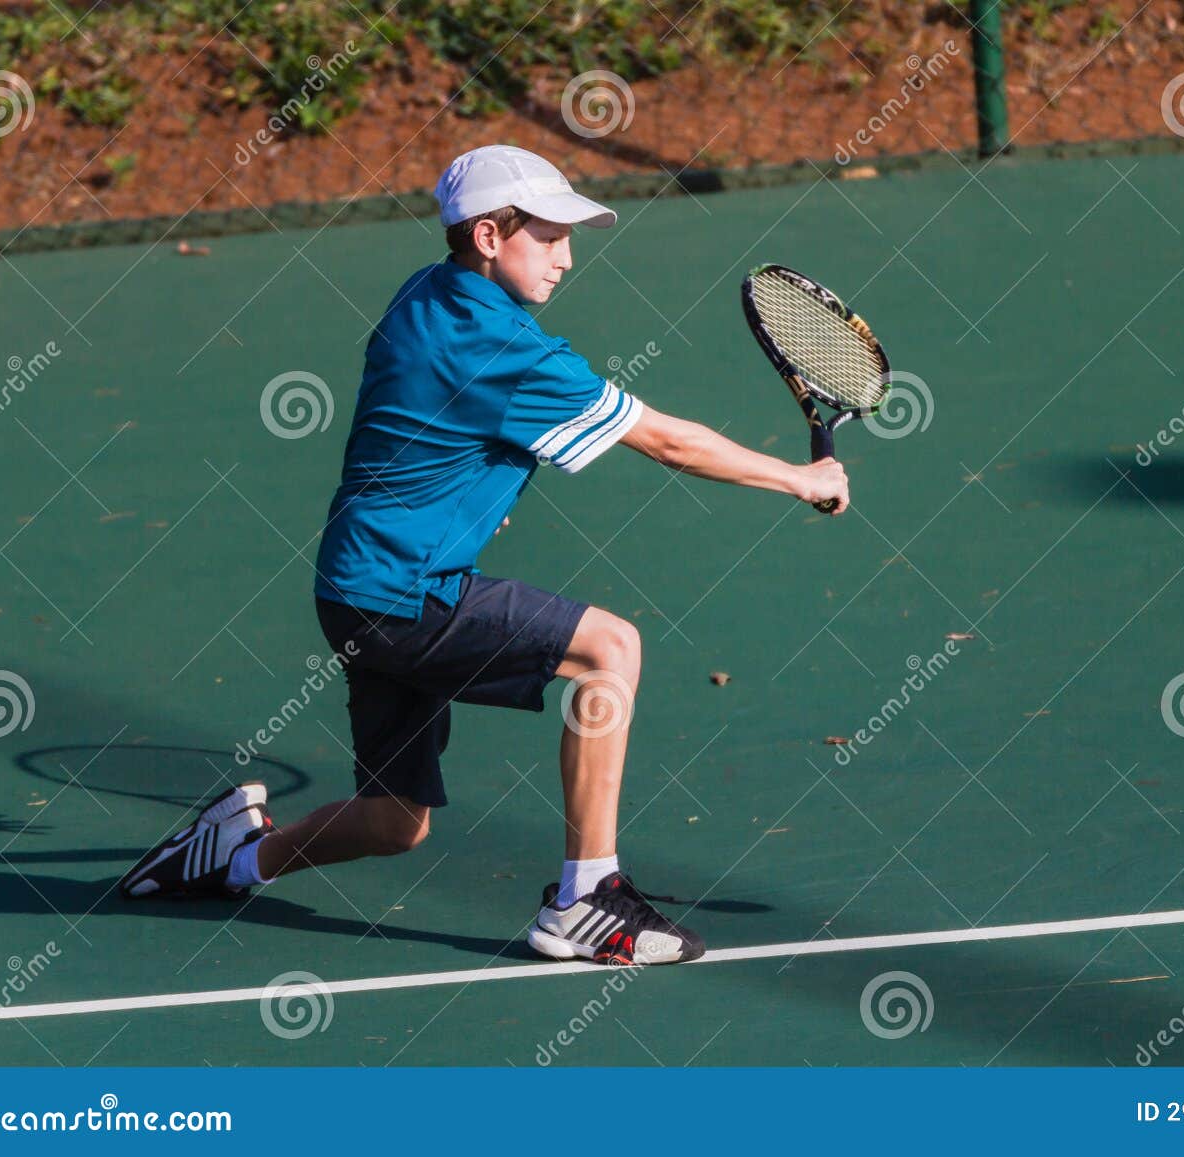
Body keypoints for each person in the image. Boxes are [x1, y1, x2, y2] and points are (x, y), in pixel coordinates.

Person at [119, 145, 850, 966]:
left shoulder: (428, 294)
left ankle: (233, 856)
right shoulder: (502, 349)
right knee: (610, 647)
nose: (568, 258)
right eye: (550, 237)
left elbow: (435, 433)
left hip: (355, 589)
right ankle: (588, 897)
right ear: (491, 235)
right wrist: (798, 476)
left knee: (394, 820)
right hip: (406, 593)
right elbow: (668, 442)